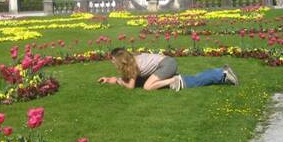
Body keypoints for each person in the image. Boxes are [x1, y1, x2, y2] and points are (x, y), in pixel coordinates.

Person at [97, 48, 238, 91]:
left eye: (113, 60)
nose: (112, 62)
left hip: (167, 64)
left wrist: (117, 81)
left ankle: (174, 79)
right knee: (192, 79)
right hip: (166, 63)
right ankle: (221, 73)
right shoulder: (132, 60)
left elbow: (130, 86)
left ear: (121, 60)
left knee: (147, 87)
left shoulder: (132, 65)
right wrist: (110, 79)